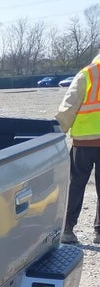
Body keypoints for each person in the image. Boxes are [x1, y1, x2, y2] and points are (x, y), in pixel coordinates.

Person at [56, 52, 100, 245]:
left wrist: (58, 131)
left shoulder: (87, 74)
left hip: (83, 142)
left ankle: (67, 229)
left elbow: (70, 105)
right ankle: (99, 233)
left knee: (76, 184)